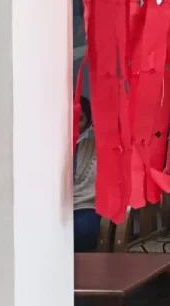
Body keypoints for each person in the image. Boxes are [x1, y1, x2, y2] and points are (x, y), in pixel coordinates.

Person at [74, 96, 100, 252]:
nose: (74, 123)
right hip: (53, 207)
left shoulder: (97, 141)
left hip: (86, 205)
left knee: (80, 232)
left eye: (80, 119)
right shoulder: (49, 142)